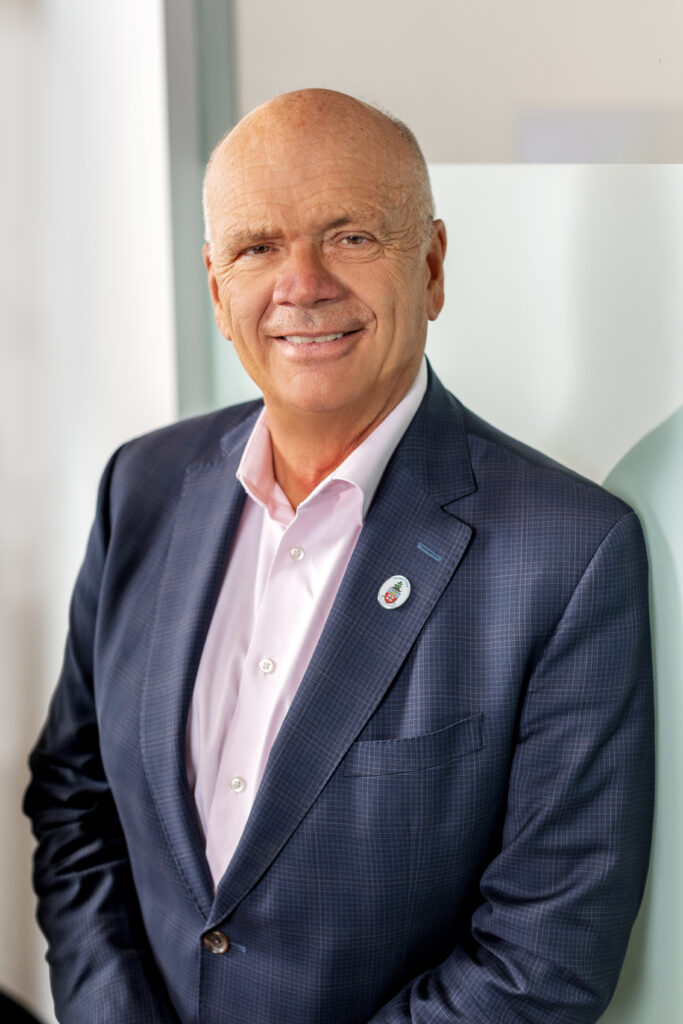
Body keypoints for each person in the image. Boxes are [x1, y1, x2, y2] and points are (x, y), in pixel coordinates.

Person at [25, 89, 654, 1024]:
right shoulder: (141, 488)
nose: (303, 282)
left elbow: (540, 960)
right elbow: (77, 800)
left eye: (352, 235)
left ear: (432, 266)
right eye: (256, 247)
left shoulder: (569, 555)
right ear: (214, 286)